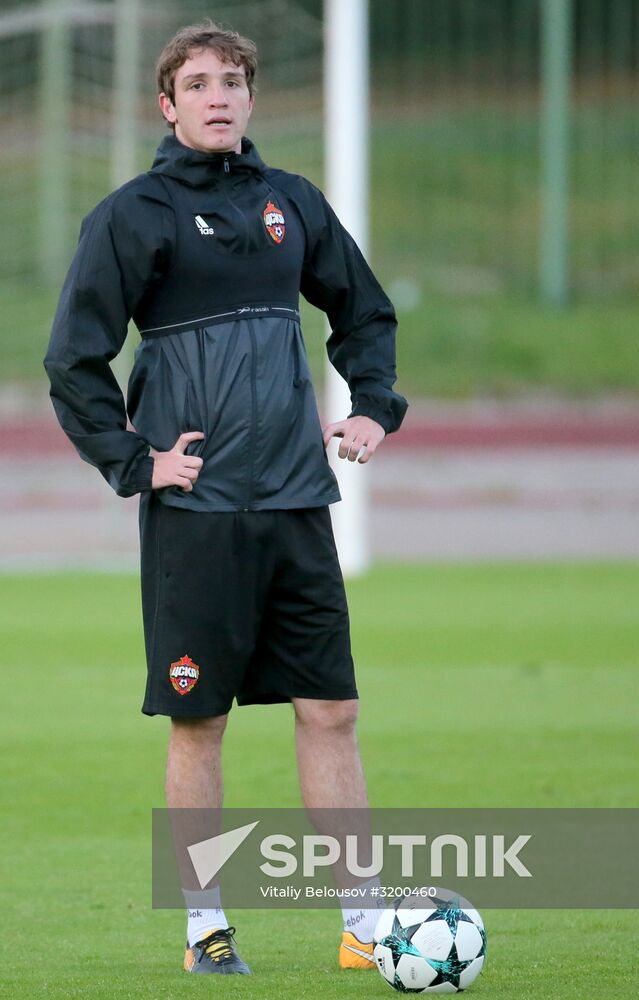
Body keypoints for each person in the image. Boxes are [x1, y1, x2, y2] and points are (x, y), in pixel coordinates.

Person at [45, 20, 407, 976]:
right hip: (198, 515)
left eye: (233, 82)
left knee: (332, 712)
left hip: (295, 500)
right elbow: (72, 358)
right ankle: (206, 926)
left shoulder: (293, 203)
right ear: (167, 104)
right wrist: (135, 460)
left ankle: (363, 928)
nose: (218, 96)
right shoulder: (134, 213)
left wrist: (372, 405)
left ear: (251, 99)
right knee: (199, 723)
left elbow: (362, 311)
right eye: (198, 83)